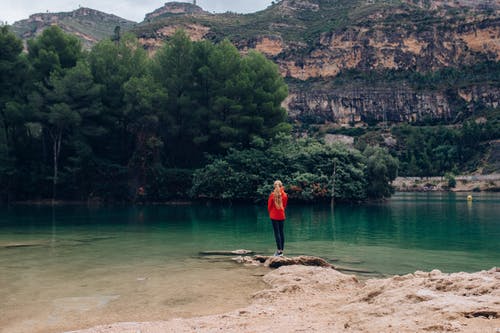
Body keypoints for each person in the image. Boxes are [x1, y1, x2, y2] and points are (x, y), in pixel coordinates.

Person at [268, 180, 288, 256]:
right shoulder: (285, 195)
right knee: (281, 232)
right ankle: (281, 251)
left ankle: (279, 251)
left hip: (274, 215)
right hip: (281, 215)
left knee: (277, 233)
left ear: (274, 186)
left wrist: (271, 213)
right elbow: (285, 205)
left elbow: (269, 206)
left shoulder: (272, 195)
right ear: (281, 186)